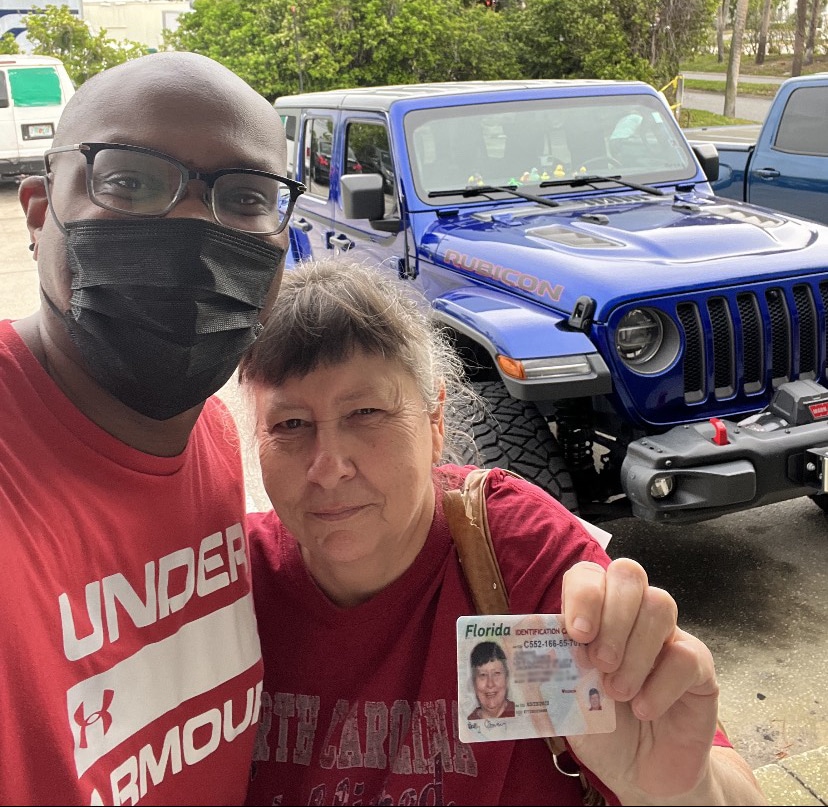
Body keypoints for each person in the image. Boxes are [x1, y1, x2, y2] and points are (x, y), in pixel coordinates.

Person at [239, 259, 767, 806]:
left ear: (436, 420)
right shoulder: (228, 582)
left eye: (366, 412)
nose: (329, 467)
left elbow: (722, 789)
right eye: (290, 425)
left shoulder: (518, 553)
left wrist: (682, 791)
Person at [1, 51, 304, 804]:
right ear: (40, 210)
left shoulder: (212, 438)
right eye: (129, 180)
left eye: (245, 197)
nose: (194, 227)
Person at [468, 641, 516, 721]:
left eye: (496, 673)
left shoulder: (524, 715)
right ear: (474, 682)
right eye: (483, 675)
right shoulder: (465, 725)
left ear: (506, 678)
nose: (490, 684)